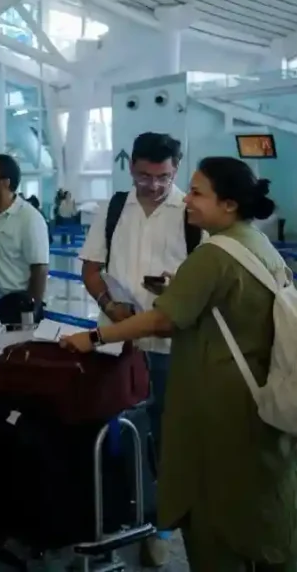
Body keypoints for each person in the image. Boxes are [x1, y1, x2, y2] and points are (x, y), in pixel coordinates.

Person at [60, 157, 297, 572]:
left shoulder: (212, 254)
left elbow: (163, 320)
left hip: (222, 409)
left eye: (198, 192)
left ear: (229, 204)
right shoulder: (255, 242)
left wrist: (93, 337)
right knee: (264, 501)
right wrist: (181, 287)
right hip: (263, 395)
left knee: (214, 509)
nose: (187, 200)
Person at [78, 132, 198, 566]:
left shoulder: (191, 214)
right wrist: (110, 304)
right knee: (112, 430)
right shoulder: (113, 209)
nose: (154, 185)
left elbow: (206, 280)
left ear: (176, 169)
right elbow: (91, 268)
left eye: (163, 176)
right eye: (145, 176)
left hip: (170, 347)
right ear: (131, 168)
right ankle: (116, 509)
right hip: (117, 345)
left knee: (167, 439)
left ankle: (161, 526)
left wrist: (176, 291)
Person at [0, 153, 49, 304]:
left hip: (15, 302)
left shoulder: (29, 218)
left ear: (5, 183)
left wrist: (32, 307)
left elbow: (39, 268)